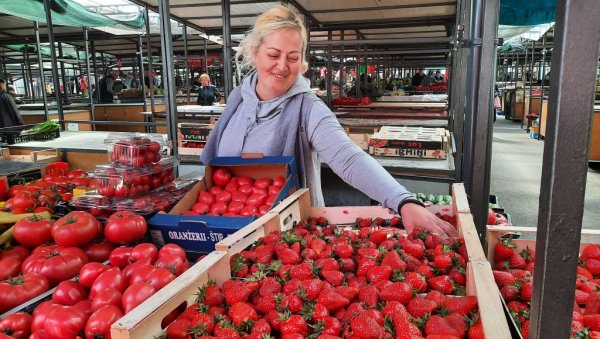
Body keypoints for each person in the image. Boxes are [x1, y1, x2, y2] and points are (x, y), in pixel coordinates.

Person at [200, 6, 456, 237]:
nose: (282, 66)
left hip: (287, 238)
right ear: (254, 53)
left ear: (302, 62)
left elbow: (348, 157)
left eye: (292, 57)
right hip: (221, 231)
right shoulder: (237, 99)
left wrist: (403, 201)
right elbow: (215, 170)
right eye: (273, 54)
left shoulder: (308, 108)